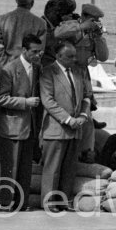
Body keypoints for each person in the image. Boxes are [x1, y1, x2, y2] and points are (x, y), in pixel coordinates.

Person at [39, 42, 92, 212]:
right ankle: (49, 202)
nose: (74, 59)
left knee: (69, 168)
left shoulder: (78, 72)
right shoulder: (48, 72)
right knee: (52, 168)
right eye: (70, 56)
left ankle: (63, 200)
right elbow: (48, 101)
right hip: (56, 128)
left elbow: (86, 96)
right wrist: (68, 120)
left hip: (76, 128)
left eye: (75, 56)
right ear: (59, 56)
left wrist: (83, 116)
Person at [55, 3, 109, 163]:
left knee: (86, 118)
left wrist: (98, 37)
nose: (96, 22)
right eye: (94, 20)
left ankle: (86, 153)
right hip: (66, 76)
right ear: (86, 16)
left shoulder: (93, 33)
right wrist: (81, 27)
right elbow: (58, 34)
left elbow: (103, 56)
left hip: (83, 77)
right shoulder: (72, 25)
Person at [0, 34, 43, 211]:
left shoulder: (37, 68)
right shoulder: (10, 69)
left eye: (40, 52)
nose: (38, 55)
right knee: (10, 166)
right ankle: (6, 202)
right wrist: (25, 102)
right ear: (24, 50)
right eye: (34, 52)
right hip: (12, 126)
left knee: (25, 167)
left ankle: (21, 203)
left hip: (29, 126)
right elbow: (1, 98)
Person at [0, 0, 46, 76]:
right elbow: (39, 52)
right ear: (32, 3)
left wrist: (7, 66)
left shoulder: (0, 20)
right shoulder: (40, 23)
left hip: (3, 72)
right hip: (27, 72)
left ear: (16, 0)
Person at [41, 0, 76, 67]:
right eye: (68, 13)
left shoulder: (59, 25)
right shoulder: (41, 25)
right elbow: (47, 42)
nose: (71, 15)